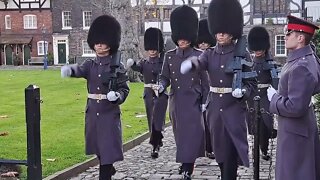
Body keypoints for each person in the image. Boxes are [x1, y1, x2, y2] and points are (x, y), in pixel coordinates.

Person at [180, 0, 257, 179]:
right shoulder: (210, 53)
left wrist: (243, 92)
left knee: (230, 152)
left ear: (232, 32)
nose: (220, 34)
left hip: (234, 108)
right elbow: (200, 62)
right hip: (215, 109)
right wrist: (191, 63)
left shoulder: (242, 54)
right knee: (220, 151)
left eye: (224, 31)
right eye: (218, 31)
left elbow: (251, 83)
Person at [60, 15, 129, 180]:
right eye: (97, 41)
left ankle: (105, 173)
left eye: (103, 41)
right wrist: (70, 70)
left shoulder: (117, 66)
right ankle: (109, 167)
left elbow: (124, 89)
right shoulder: (90, 64)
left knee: (107, 148)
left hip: (109, 113)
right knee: (98, 149)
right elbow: (81, 70)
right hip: (93, 113)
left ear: (110, 43)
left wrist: (117, 96)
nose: (99, 44)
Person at [158, 5, 209, 179]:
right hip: (176, 100)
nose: (182, 41)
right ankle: (185, 162)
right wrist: (161, 85)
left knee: (192, 134)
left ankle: (188, 166)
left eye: (185, 38)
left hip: (193, 100)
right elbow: (164, 76)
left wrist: (204, 101)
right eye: (179, 38)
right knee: (179, 134)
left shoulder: (200, 54)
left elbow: (206, 81)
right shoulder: (169, 56)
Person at [267, 15, 320, 180]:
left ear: (300, 38)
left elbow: (295, 107)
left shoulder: (301, 66)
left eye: (289, 32)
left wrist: (274, 98)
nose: (286, 35)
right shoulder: (308, 58)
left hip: (295, 133)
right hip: (300, 130)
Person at [126, 27, 168, 159]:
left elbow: (168, 77)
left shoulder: (163, 62)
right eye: (150, 49)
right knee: (151, 120)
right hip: (148, 93)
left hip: (161, 94)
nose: (152, 51)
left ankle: (155, 145)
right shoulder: (144, 62)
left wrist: (162, 86)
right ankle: (156, 141)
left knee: (157, 119)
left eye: (154, 49)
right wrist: (132, 64)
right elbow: (138, 68)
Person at [247, 26, 277, 161]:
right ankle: (256, 149)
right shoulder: (249, 62)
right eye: (256, 49)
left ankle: (264, 150)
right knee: (254, 126)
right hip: (252, 96)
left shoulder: (270, 63)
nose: (258, 51)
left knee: (265, 125)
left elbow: (275, 81)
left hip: (265, 96)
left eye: (260, 48)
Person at [196, 18, 216, 159]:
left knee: (209, 124)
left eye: (205, 42)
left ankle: (209, 148)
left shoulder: (213, 55)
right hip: (197, 93)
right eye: (201, 42)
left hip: (211, 94)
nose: (203, 45)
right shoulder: (195, 55)